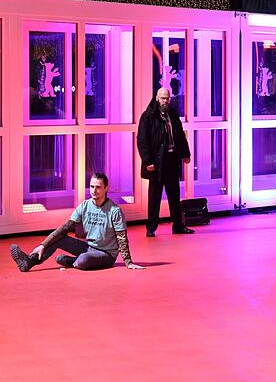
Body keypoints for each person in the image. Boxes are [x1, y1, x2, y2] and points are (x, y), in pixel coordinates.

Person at [9, 173, 144, 272]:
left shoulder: (115, 211)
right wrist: (43, 245)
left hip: (106, 254)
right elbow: (65, 227)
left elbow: (122, 238)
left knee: (84, 260)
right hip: (88, 247)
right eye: (91, 186)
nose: (94, 190)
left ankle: (71, 261)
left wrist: (128, 262)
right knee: (59, 238)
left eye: (98, 187)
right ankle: (29, 262)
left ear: (106, 188)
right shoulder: (84, 206)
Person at [137, 87, 194, 237]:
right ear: (157, 98)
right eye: (163, 98)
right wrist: (148, 161)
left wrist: (186, 154)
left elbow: (180, 136)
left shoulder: (173, 115)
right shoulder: (148, 116)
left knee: (174, 195)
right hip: (156, 163)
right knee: (154, 197)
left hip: (171, 161)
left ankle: (178, 225)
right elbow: (142, 141)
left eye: (167, 98)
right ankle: (151, 228)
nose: (165, 101)